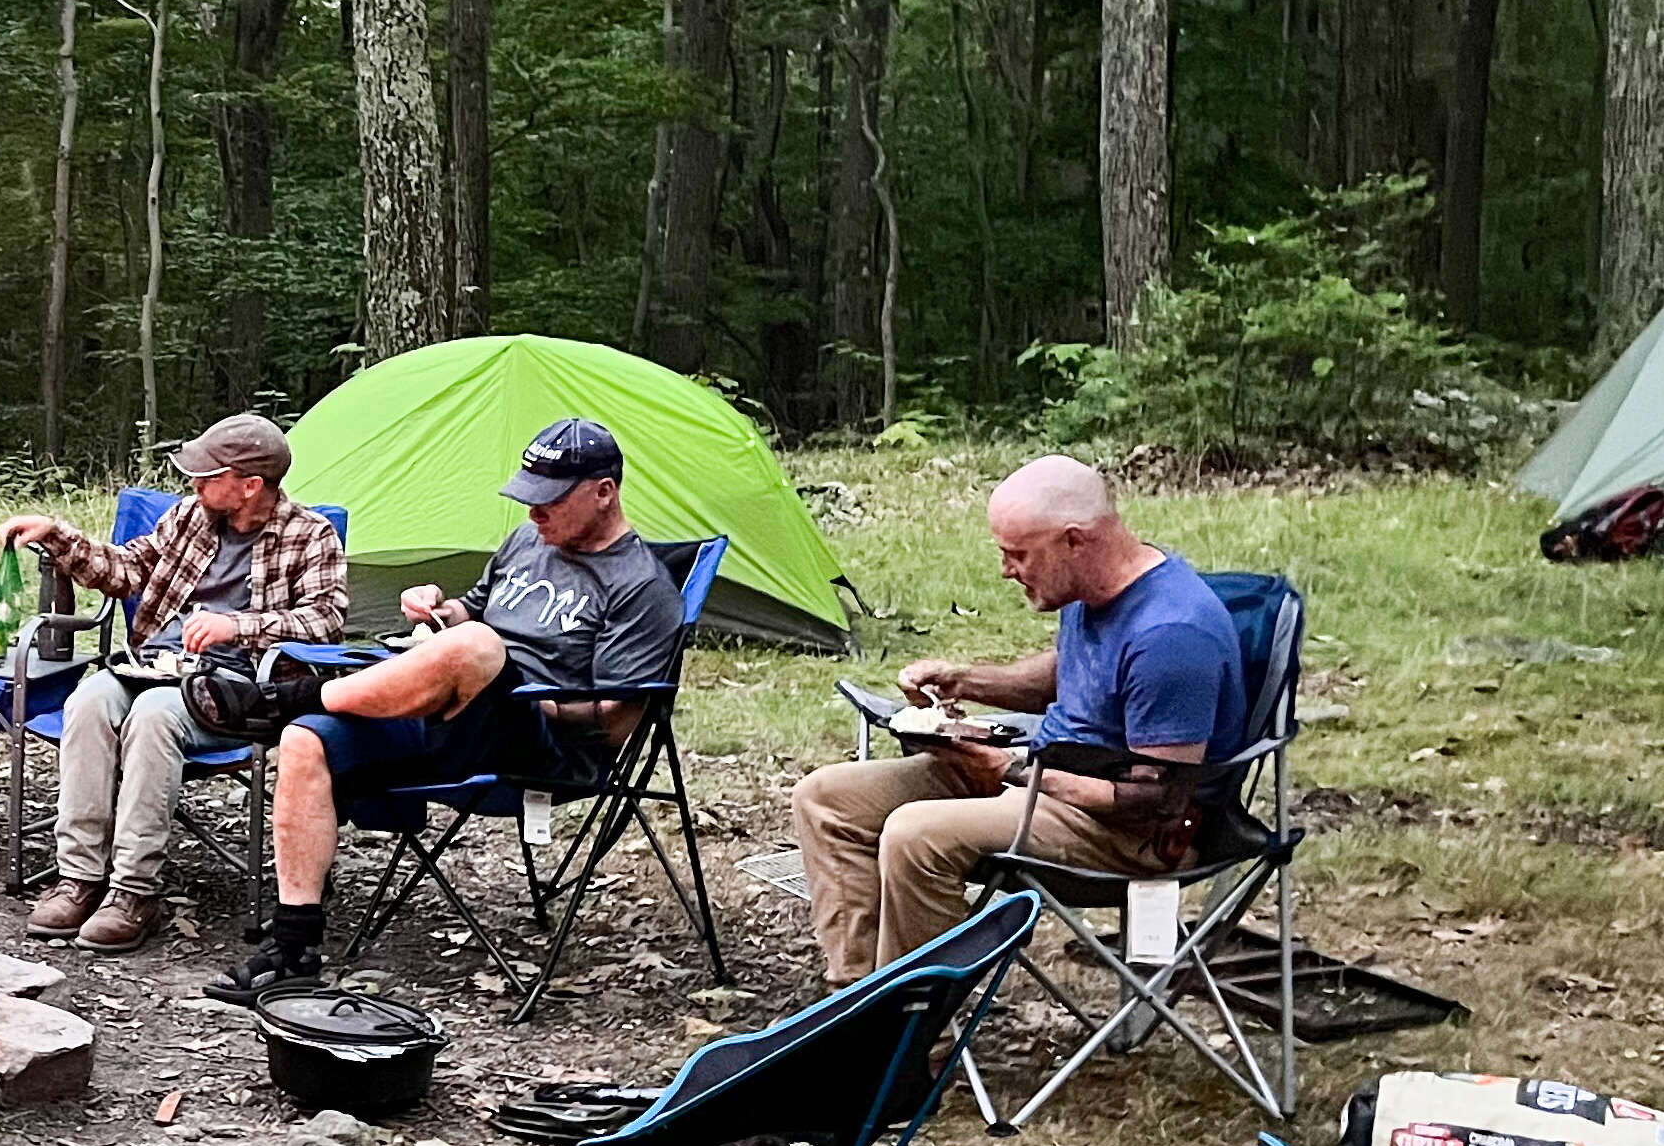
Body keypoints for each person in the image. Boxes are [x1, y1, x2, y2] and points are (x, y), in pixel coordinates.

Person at [201, 418, 685, 1000]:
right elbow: (472, 612)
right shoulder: (529, 543)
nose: (533, 514)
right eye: (527, 499)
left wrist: (504, 685)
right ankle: (294, 948)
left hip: (536, 744)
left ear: (604, 492)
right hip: (446, 715)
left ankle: (289, 697)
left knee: (477, 648)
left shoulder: (643, 588)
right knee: (307, 740)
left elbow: (615, 724)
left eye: (548, 501)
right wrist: (437, 609)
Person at [791, 455, 1250, 981]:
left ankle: (912, 1040)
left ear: (1074, 540)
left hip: (1125, 832)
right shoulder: (1095, 590)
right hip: (1046, 778)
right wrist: (962, 681)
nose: (1007, 570)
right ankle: (855, 1000)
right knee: (825, 798)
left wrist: (1010, 771)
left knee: (916, 834)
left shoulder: (1172, 635)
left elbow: (1158, 801)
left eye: (1018, 554)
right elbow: (1070, 675)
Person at [0, 412, 348, 952]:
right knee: (89, 700)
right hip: (155, 666)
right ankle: (80, 877)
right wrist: (58, 536)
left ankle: (135, 891)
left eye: (208, 476)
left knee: (155, 715)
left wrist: (239, 626)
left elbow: (326, 620)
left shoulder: (309, 535)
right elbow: (125, 571)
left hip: (239, 688)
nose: (194, 483)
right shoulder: (189, 518)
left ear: (249, 485)